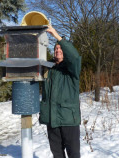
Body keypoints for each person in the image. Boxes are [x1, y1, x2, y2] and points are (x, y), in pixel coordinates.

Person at [39, 25, 81, 158]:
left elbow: (74, 57)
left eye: (61, 48)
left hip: (68, 119)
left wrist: (56, 36)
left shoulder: (71, 68)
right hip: (52, 119)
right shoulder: (48, 68)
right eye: (56, 48)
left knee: (73, 154)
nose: (58, 51)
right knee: (57, 154)